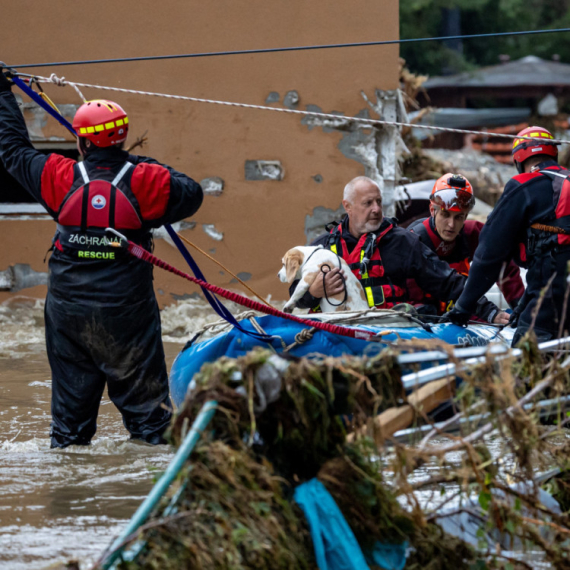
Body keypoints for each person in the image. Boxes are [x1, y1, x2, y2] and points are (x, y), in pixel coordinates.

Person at [0, 71, 203, 447]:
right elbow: (191, 192)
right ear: (123, 137)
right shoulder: (147, 180)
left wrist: (1, 92)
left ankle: (70, 500)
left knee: (69, 435)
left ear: (80, 141)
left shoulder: (57, 175)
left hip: (67, 316)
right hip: (127, 316)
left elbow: (11, 149)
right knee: (152, 428)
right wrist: (137, 163)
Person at [289, 175, 503, 319]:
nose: (376, 209)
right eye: (368, 203)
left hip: (385, 330)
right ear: (348, 207)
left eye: (379, 202)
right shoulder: (322, 246)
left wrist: (489, 312)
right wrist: (314, 291)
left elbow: (446, 281)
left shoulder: (401, 241)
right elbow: (294, 293)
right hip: (333, 329)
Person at [445, 126, 570, 344]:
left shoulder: (523, 186)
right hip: (549, 293)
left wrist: (464, 306)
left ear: (518, 159)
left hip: (550, 302)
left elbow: (489, 253)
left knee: (529, 367)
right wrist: (522, 304)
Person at [407, 173, 519, 324]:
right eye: (445, 215)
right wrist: (486, 309)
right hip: (423, 319)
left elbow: (503, 264)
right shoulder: (414, 240)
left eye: (458, 217)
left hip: (462, 314)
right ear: (432, 211)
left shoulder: (472, 233)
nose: (451, 225)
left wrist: (520, 307)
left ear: (466, 217)